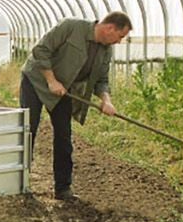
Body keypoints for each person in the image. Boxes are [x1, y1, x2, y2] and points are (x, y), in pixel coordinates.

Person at [21, 12, 131, 200]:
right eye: (120, 36)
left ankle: (63, 188)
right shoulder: (71, 27)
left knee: (64, 135)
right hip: (36, 81)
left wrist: (106, 100)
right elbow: (40, 50)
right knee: (28, 129)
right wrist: (51, 80)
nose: (119, 42)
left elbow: (102, 79)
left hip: (64, 89)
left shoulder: (106, 50)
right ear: (109, 28)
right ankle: (21, 184)